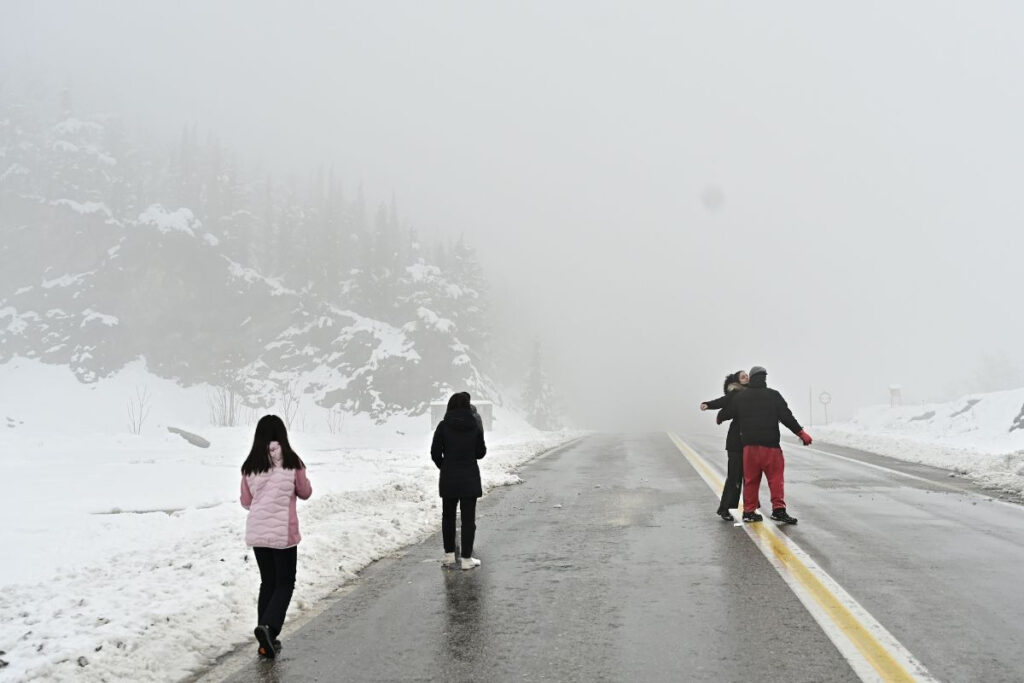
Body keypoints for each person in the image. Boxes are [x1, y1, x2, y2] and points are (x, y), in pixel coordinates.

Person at [239, 414, 313, 659]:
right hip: (283, 534)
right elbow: (305, 492)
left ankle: (265, 638)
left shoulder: (250, 465)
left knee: (268, 582)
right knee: (285, 582)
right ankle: (269, 629)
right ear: (282, 435)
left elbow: (246, 501)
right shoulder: (292, 461)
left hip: (258, 532)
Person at [717, 366, 812, 524]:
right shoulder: (773, 395)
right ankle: (778, 510)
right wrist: (801, 433)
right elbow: (787, 417)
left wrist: (720, 416)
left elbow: (726, 413)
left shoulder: (741, 397)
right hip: (771, 447)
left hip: (749, 449)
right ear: (764, 378)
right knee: (775, 480)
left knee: (751, 480)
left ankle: (749, 512)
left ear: (752, 378)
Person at [431, 392, 487, 570]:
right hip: (469, 477)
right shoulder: (474, 425)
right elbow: (480, 453)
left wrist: (445, 466)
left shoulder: (443, 426)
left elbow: (434, 452)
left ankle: (448, 556)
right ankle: (466, 559)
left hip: (449, 478)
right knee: (468, 520)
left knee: (448, 517)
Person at [700, 370, 749, 521]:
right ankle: (724, 508)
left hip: (749, 442)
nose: (746, 377)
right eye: (743, 376)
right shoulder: (734, 393)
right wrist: (708, 405)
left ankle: (750, 510)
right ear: (737, 381)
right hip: (736, 442)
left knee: (749, 478)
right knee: (734, 477)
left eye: (747, 375)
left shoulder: (753, 393)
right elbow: (722, 401)